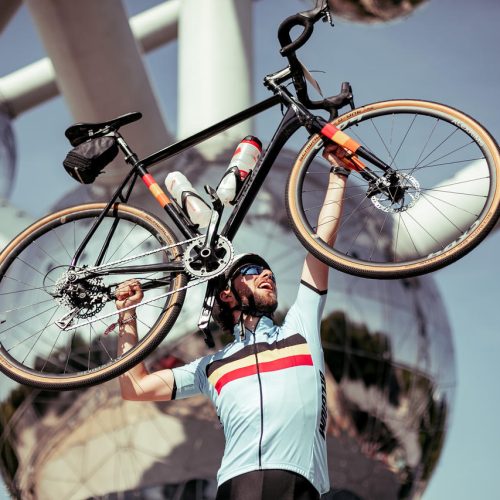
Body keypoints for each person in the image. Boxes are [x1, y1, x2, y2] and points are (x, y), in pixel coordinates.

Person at [115, 144, 352, 500]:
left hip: (299, 483)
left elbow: (321, 243)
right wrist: (127, 316)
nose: (267, 275)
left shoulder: (299, 328)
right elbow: (135, 387)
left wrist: (339, 173)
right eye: (253, 271)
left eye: (268, 271)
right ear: (227, 294)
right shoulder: (212, 366)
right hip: (237, 486)